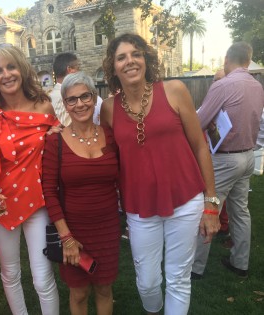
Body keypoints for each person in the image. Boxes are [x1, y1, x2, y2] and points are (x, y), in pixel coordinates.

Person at [101, 33, 220, 315]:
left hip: (186, 198)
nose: (130, 61)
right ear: (113, 67)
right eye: (121, 57)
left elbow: (200, 147)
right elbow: (99, 150)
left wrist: (211, 203)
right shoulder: (108, 109)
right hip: (140, 207)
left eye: (136, 54)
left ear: (146, 59)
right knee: (148, 282)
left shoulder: (175, 90)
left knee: (178, 277)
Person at [0, 44, 59, 315]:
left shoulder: (44, 106)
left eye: (11, 67)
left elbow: (57, 151)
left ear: (22, 69)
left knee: (42, 276)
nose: (6, 74)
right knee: (9, 273)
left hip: (37, 201)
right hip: (1, 204)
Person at [42, 71, 121, 315]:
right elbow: (49, 191)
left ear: (94, 97)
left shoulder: (110, 134)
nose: (80, 104)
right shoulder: (56, 141)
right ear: (64, 104)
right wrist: (66, 238)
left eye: (85, 96)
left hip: (107, 228)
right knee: (78, 293)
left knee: (105, 289)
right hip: (73, 231)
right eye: (72, 99)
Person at [193, 41, 264, 279]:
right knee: (241, 212)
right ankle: (240, 263)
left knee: (209, 209)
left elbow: (199, 122)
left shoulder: (223, 85)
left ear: (227, 58)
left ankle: (195, 268)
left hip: (224, 160)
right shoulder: (257, 85)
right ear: (248, 60)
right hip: (248, 157)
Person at [50, 52, 102, 126]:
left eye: (85, 96)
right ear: (70, 70)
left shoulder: (51, 95)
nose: (80, 104)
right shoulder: (60, 96)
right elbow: (69, 127)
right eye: (78, 68)